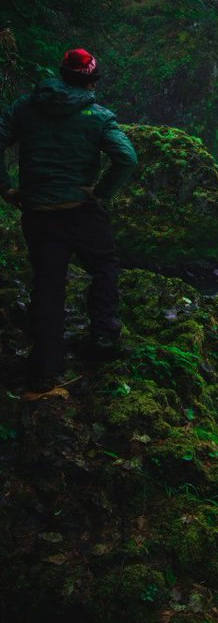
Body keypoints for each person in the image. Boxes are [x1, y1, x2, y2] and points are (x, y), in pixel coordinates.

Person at [0, 48, 138, 397]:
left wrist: (6, 189)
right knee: (104, 267)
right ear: (90, 81)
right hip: (81, 209)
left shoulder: (26, 107)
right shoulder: (97, 116)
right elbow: (126, 158)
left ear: (61, 75)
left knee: (48, 286)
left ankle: (44, 373)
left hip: (39, 214)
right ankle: (103, 337)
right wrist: (101, 192)